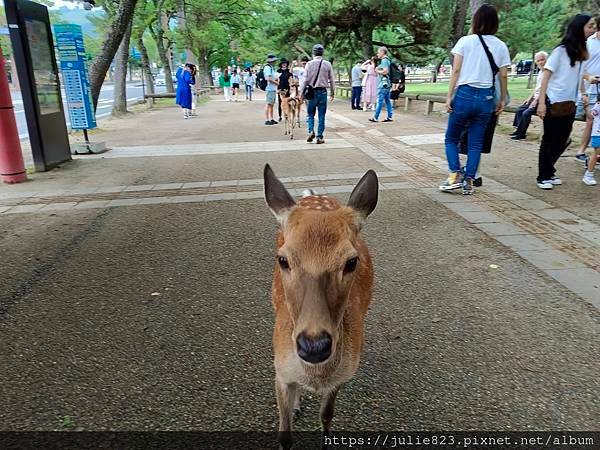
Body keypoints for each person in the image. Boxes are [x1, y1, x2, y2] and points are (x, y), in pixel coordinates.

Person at [439, 4, 510, 195]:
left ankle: (455, 174)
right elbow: (503, 75)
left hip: (464, 94)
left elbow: (455, 70)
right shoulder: (500, 45)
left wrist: (449, 96)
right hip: (486, 97)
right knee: (476, 143)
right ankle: (469, 180)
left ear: (476, 20)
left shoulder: (465, 41)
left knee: (451, 138)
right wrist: (502, 98)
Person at [536, 14, 596, 190]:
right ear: (579, 27)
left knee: (562, 139)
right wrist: (541, 102)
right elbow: (546, 76)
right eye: (589, 26)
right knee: (550, 139)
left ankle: (549, 170)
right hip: (554, 102)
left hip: (570, 102)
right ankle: (543, 176)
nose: (593, 29)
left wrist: (583, 94)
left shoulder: (581, 52)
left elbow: (578, 77)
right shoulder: (560, 51)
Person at [575, 15, 600, 163]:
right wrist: (588, 78)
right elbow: (579, 69)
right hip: (589, 88)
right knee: (591, 120)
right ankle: (581, 151)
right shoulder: (589, 43)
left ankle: (594, 154)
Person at [299, 44, 335, 144]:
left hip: (311, 92)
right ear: (322, 52)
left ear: (313, 52)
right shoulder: (327, 64)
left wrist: (301, 94)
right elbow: (332, 79)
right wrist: (332, 92)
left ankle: (311, 131)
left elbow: (304, 80)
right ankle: (320, 137)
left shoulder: (309, 64)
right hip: (323, 92)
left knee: (310, 114)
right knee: (321, 115)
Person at [511, 51, 548, 140]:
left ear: (547, 60)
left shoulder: (548, 73)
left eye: (542, 60)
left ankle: (521, 134)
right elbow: (536, 88)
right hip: (535, 97)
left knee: (526, 113)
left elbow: (545, 90)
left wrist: (536, 101)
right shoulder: (540, 72)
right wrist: (529, 98)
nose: (540, 62)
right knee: (520, 109)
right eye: (538, 60)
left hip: (543, 99)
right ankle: (518, 130)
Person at [369, 47, 394, 123]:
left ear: (383, 52)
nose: (377, 54)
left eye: (378, 52)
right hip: (387, 83)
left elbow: (385, 71)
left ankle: (375, 117)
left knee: (379, 100)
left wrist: (377, 70)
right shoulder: (388, 60)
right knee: (387, 101)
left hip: (383, 84)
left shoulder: (384, 60)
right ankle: (389, 116)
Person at [583, 94, 600, 185]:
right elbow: (590, 116)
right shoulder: (598, 106)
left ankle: (588, 162)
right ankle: (588, 175)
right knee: (596, 153)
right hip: (598, 134)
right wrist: (586, 105)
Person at [264, 54, 279, 125]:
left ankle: (271, 118)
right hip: (269, 88)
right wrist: (276, 83)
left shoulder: (271, 67)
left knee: (271, 104)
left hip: (272, 88)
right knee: (268, 103)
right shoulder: (267, 68)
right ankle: (267, 119)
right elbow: (268, 78)